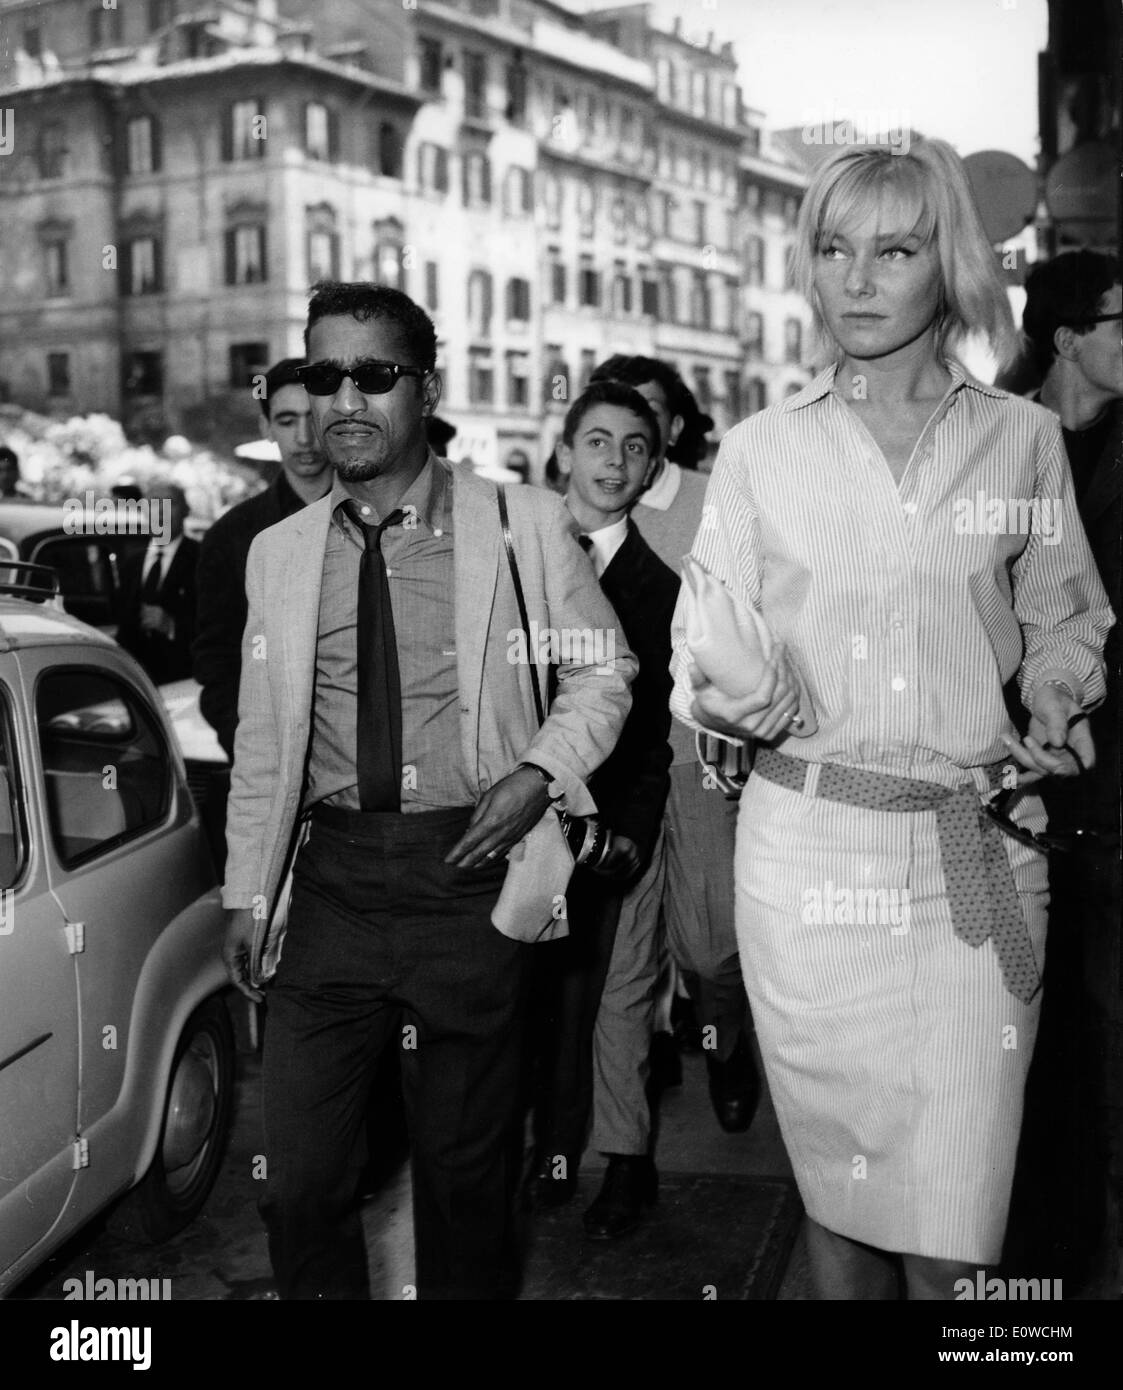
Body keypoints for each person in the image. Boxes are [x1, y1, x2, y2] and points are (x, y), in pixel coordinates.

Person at [670, 137, 1113, 1300]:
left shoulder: (1023, 440)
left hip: (979, 857)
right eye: (832, 249)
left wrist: (1059, 698)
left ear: (946, 267)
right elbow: (699, 652)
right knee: (842, 1199)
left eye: (893, 249)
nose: (856, 279)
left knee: (958, 1224)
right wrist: (741, 691)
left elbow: (1068, 615)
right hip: (807, 859)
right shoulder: (760, 453)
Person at [220, 281, 635, 1301]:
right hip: (327, 888)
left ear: (425, 386)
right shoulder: (276, 556)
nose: (346, 398)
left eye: (375, 374)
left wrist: (539, 776)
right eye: (323, 375)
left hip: (468, 876)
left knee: (465, 1182)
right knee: (302, 1183)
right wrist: (243, 890)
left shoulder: (521, 525)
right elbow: (265, 739)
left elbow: (602, 671)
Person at [589, 355, 759, 1135]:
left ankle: (727, 1044)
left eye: (646, 414)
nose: (628, 434)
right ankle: (623, 1155)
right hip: (612, 769)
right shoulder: (573, 512)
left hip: (696, 759)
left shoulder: (714, 504)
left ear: (673, 428)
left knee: (713, 948)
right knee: (623, 962)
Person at [525, 380, 676, 1238]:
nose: (612, 462)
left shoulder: (661, 586)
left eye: (632, 447)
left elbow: (654, 726)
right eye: (595, 442)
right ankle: (547, 1151)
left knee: (621, 995)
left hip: (618, 818)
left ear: (652, 466)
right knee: (529, 993)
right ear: (563, 453)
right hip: (522, 813)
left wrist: (632, 828)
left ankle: (626, 1164)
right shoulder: (518, 556)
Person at [1005, 250, 1123, 1289]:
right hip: (1016, 798)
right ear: (1067, 333)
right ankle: (1043, 1268)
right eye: (1121, 319)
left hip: (1112, 794)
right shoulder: (997, 440)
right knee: (1029, 1048)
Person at [194, 358, 332, 762]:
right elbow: (216, 660)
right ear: (266, 429)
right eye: (287, 421)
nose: (304, 437)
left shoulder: (375, 518)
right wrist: (246, 745)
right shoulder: (231, 536)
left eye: (314, 418)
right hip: (270, 757)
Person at [116, 483, 198, 685]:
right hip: (137, 682)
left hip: (185, 680)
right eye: (153, 503)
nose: (161, 511)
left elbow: (219, 623)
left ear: (186, 510)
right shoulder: (132, 564)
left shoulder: (203, 559)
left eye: (169, 503)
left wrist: (172, 626)